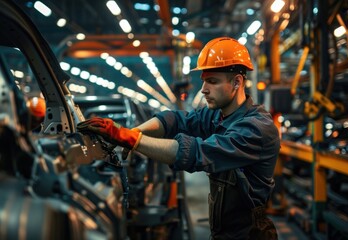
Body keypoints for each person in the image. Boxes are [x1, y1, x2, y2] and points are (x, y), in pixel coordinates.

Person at [77, 37, 280, 239]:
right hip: (223, 232)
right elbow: (175, 120)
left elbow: (197, 153)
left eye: (212, 81)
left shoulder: (255, 129)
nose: (204, 89)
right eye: (204, 81)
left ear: (237, 82)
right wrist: (133, 131)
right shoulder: (218, 116)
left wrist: (131, 140)